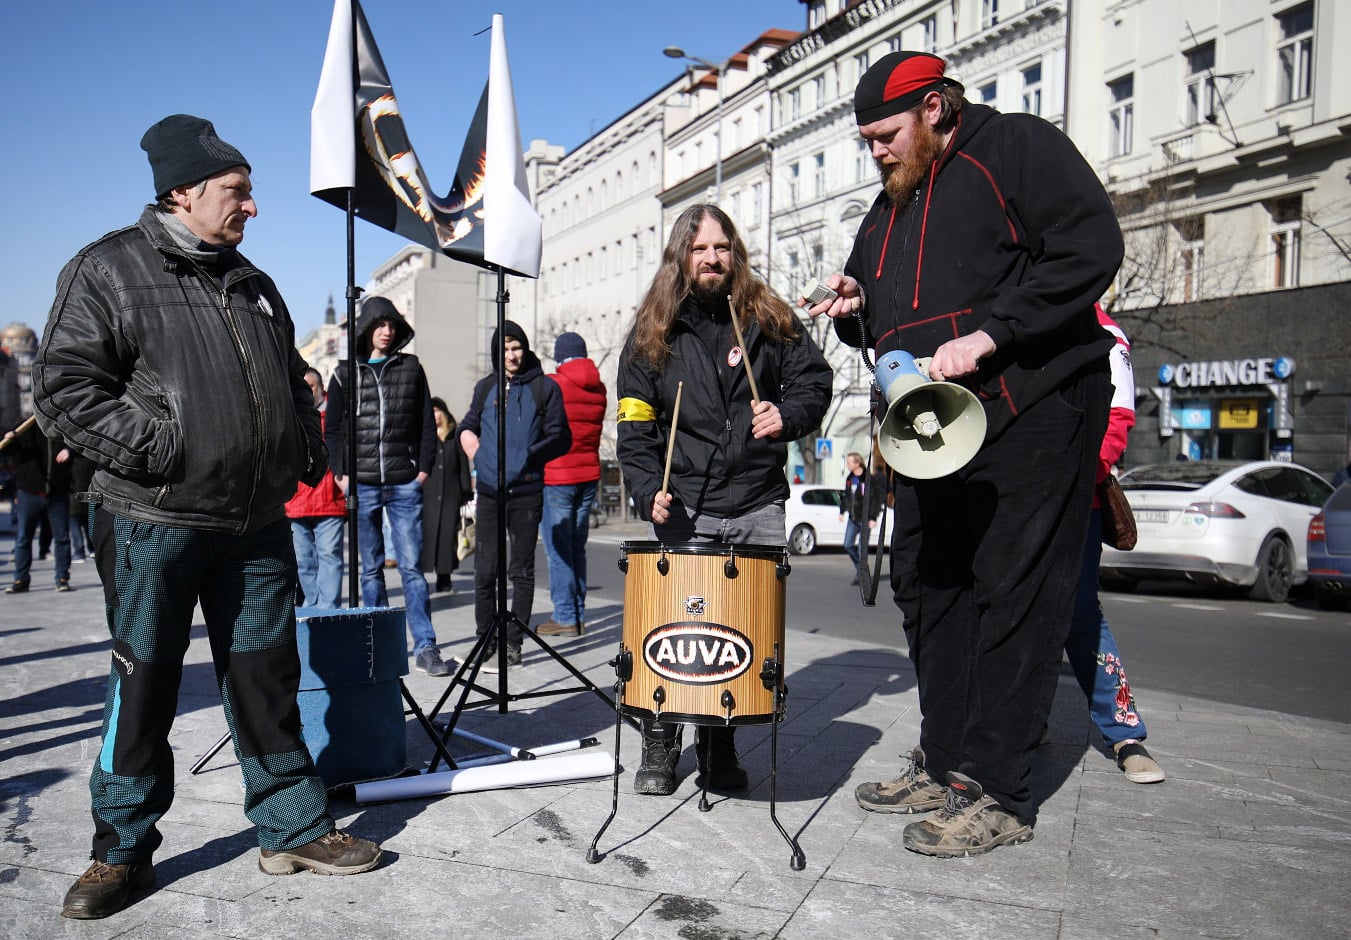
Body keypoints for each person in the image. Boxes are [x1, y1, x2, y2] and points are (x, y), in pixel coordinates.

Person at [31, 114, 380, 919]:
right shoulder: (108, 269)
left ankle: (291, 825)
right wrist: (165, 450)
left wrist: (299, 444)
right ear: (182, 192)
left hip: (255, 522)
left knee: (266, 678)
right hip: (153, 520)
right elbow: (64, 388)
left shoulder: (255, 283)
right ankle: (120, 851)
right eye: (238, 191)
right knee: (145, 683)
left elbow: (293, 377)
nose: (253, 206)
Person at [807, 52, 1122, 856]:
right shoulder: (889, 203)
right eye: (866, 141)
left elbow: (1088, 247)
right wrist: (852, 305)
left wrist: (992, 332)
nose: (875, 151)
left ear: (937, 108)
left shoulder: (1014, 145)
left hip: (1033, 406)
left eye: (885, 135)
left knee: (1012, 594)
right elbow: (875, 316)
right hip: (930, 428)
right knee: (926, 585)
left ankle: (1002, 794)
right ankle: (945, 760)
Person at [617, 204, 833, 795]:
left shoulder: (768, 314)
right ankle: (660, 738)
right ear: (680, 256)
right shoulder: (650, 333)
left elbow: (816, 381)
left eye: (721, 247)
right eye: (699, 248)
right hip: (687, 503)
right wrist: (644, 490)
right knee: (673, 631)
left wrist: (786, 415)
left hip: (758, 499)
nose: (712, 258)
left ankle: (720, 743)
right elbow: (635, 430)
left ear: (734, 252)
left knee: (739, 638)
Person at [1062, 307, 1164, 784]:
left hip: (1076, 495)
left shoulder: (1104, 329)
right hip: (1016, 498)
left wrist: (1078, 479)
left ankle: (1125, 734)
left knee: (1081, 613)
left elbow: (1119, 417)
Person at [325, 296, 449, 676]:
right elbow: (333, 430)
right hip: (361, 484)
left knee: (412, 568)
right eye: (380, 324)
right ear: (366, 328)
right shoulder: (345, 373)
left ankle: (425, 646)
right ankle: (375, 643)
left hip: (404, 482)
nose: (387, 330)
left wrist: (422, 469)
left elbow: (427, 424)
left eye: (392, 324)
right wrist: (341, 474)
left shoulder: (411, 368)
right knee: (369, 570)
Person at [458, 321, 571, 670]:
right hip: (490, 492)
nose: (512, 354)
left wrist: (529, 456)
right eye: (505, 349)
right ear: (497, 352)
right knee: (485, 570)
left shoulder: (544, 388)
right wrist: (470, 442)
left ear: (525, 348)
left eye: (517, 347)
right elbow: (468, 424)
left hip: (526, 490)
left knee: (520, 570)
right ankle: (485, 639)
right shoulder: (486, 387)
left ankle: (513, 643)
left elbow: (561, 436)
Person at [538, 331, 606, 637]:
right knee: (577, 547)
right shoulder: (599, 387)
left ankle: (565, 615)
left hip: (558, 474)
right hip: (588, 474)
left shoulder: (553, 383)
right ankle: (577, 614)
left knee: (558, 549)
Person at [286, 368, 345, 609]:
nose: (308, 391)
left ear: (321, 387)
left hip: (329, 501)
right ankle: (312, 609)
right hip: (296, 504)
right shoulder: (291, 415)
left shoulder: (335, 416)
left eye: (311, 386)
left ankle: (328, 611)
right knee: (303, 561)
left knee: (330, 558)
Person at [3, 423, 73, 594]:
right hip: (29, 492)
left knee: (62, 537)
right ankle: (21, 579)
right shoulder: (26, 428)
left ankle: (62, 578)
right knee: (23, 538)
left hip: (57, 492)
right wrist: (10, 440)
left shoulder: (62, 425)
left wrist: (70, 451)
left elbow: (81, 445)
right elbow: (10, 452)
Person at [422, 397, 472, 593]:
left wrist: (465, 492)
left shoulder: (454, 436)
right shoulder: (425, 436)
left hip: (451, 494)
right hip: (428, 494)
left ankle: (445, 580)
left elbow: (463, 467)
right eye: (431, 411)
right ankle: (422, 579)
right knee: (427, 536)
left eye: (437, 411)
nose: (434, 416)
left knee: (447, 538)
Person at [840, 451, 883, 585]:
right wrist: (842, 511)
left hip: (865, 518)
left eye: (849, 462)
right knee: (847, 544)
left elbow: (876, 499)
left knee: (861, 549)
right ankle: (861, 571)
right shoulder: (850, 478)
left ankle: (862, 576)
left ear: (857, 463)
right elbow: (846, 496)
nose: (847, 465)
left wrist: (873, 518)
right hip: (853, 518)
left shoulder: (869, 479)